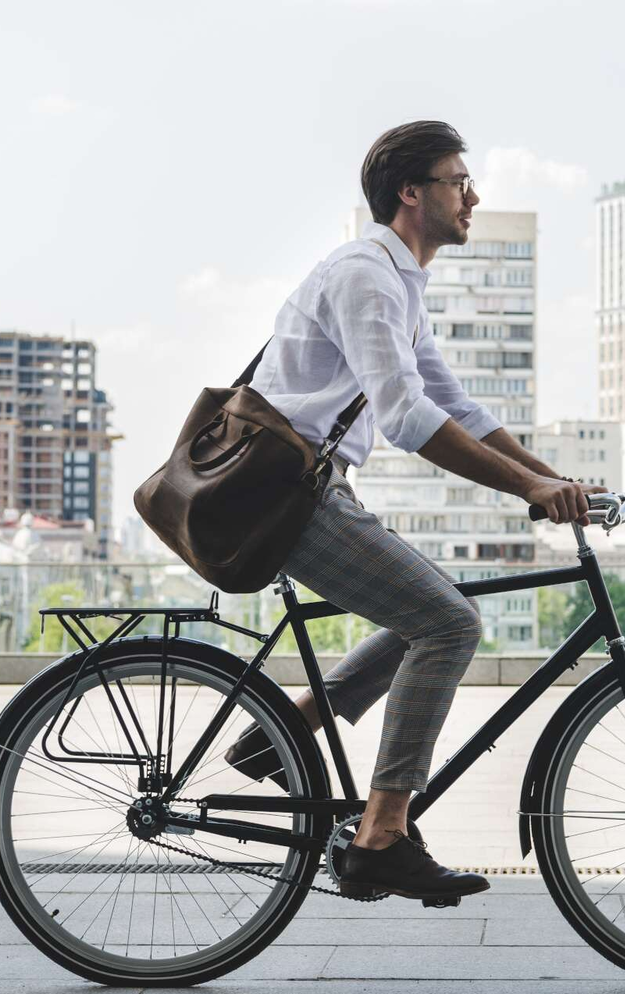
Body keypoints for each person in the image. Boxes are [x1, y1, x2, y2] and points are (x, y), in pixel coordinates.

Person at [224, 120, 599, 902]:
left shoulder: (400, 284)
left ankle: (284, 733)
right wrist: (528, 490)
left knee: (432, 608)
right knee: (449, 623)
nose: (473, 195)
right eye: (459, 181)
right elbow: (403, 415)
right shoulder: (366, 273)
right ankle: (383, 834)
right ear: (411, 192)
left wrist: (554, 479)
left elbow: (451, 401)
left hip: (313, 485)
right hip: (288, 493)